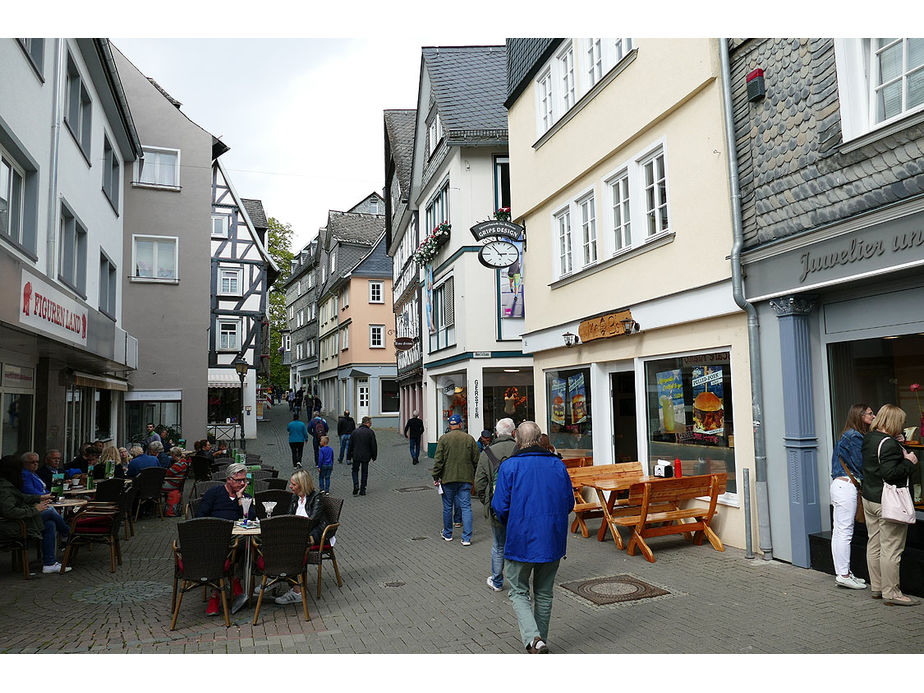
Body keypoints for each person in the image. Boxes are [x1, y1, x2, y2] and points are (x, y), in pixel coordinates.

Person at [491, 421, 575, 653]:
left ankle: (533, 639)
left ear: (517, 439)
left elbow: (500, 506)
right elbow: (569, 503)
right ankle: (540, 640)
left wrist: (512, 522)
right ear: (539, 439)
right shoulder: (558, 465)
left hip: (521, 538)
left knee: (518, 591)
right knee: (544, 593)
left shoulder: (509, 467)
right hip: (552, 539)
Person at [861, 404, 920, 606]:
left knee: (874, 544)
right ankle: (892, 592)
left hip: (869, 498)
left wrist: (899, 446)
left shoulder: (869, 438)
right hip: (888, 502)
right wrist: (909, 461)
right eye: (900, 422)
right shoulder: (889, 444)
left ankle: (877, 587)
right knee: (891, 549)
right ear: (894, 422)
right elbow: (890, 473)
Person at [197, 463, 257, 614]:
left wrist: (240, 500)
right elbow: (200, 516)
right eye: (238, 480)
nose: (242, 483)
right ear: (229, 479)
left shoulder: (246, 497)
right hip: (215, 537)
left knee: (250, 541)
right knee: (218, 548)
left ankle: (233, 580)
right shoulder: (214, 493)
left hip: (237, 539)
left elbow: (251, 519)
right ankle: (218, 593)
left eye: (244, 480)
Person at [0, 455, 71, 574]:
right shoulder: (4, 488)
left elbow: (21, 497)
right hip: (11, 525)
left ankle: (49, 563)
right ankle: (68, 533)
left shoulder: (7, 484)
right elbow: (10, 511)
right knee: (49, 511)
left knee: (50, 523)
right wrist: (35, 510)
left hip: (17, 522)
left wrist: (40, 497)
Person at [830, 403, 874, 590]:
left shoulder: (848, 434)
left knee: (840, 531)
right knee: (844, 532)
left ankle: (844, 572)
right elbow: (860, 464)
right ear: (860, 416)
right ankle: (843, 574)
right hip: (846, 487)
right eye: (870, 414)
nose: (874, 416)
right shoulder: (854, 436)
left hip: (841, 485)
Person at [275, 469, 331, 606]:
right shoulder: (295, 497)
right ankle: (277, 576)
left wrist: (296, 532)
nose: (290, 486)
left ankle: (296, 589)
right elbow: (289, 516)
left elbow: (313, 521)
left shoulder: (316, 497)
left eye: (293, 484)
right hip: (297, 533)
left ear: (302, 484)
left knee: (294, 547)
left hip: (314, 534)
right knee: (275, 542)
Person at [473, 418, 517, 592]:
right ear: (514, 433)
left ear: (497, 433)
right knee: (517, 544)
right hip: (520, 508)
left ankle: (497, 580)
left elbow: (480, 483)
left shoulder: (487, 453)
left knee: (499, 545)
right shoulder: (521, 450)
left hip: (497, 508)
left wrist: (487, 503)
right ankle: (517, 582)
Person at [431, 414, 479, 545]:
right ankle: (466, 538)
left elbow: (438, 460)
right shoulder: (469, 439)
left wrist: (436, 476)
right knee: (466, 507)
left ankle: (447, 534)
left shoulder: (444, 439)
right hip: (465, 479)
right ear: (461, 424)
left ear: (450, 425)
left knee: (447, 507)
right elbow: (476, 459)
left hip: (448, 478)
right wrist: (474, 475)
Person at [347, 416, 377, 496]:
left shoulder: (355, 432)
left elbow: (350, 445)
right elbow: (373, 445)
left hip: (356, 455)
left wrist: (348, 456)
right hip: (366, 456)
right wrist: (374, 456)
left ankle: (356, 484)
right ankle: (363, 489)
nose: (371, 425)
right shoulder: (370, 432)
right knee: (364, 472)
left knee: (355, 470)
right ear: (367, 423)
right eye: (370, 423)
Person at [162, 447, 190, 517]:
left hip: (173, 484)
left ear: (174, 455)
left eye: (171, 454)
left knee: (155, 487)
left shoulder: (178, 465)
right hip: (177, 483)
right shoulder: (183, 462)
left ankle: (155, 509)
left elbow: (167, 473)